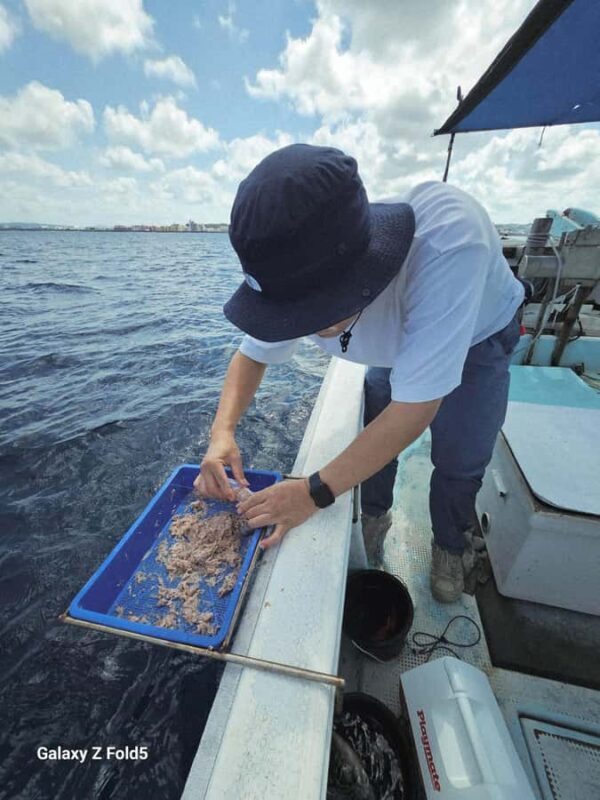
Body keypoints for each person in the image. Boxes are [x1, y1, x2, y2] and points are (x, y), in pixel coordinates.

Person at [194, 143, 524, 603]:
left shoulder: (451, 240)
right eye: (291, 314)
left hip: (479, 337)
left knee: (461, 456)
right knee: (374, 430)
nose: (305, 327)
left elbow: (415, 408)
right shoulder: (297, 257)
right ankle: (374, 517)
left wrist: (311, 493)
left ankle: (450, 545)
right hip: (393, 344)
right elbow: (252, 355)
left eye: (313, 311)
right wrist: (221, 433)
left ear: (365, 270)